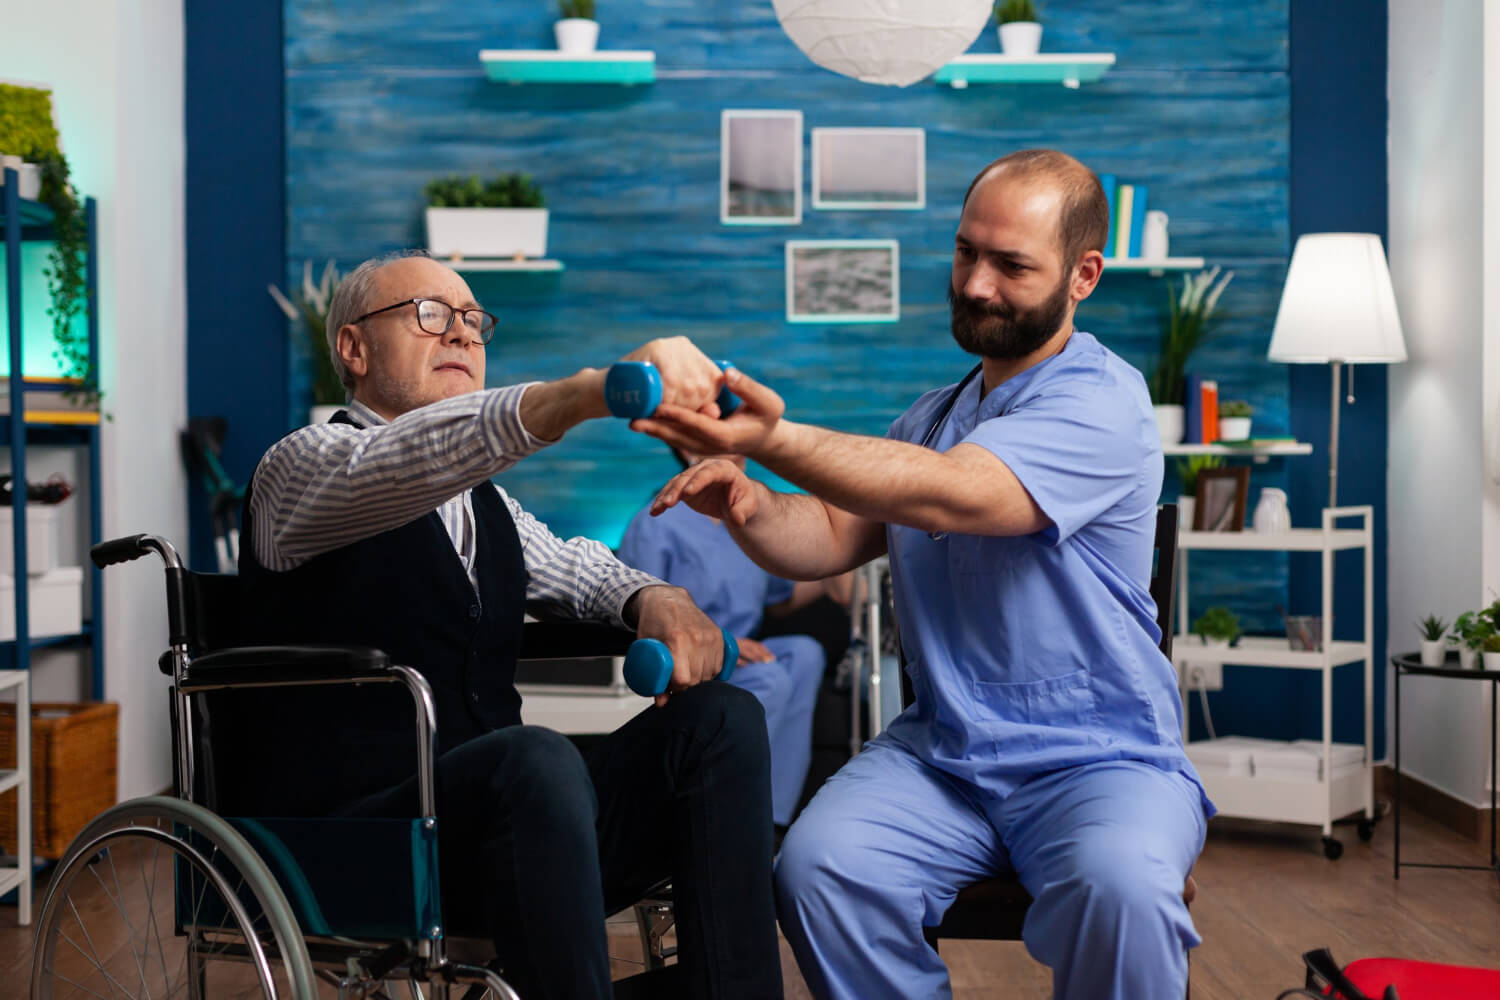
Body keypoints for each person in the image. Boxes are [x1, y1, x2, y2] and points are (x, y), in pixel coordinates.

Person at [632, 149, 1213, 999]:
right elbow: (830, 531)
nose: (976, 284)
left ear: (1083, 274)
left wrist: (769, 438)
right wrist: (750, 504)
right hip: (946, 757)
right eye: (966, 252)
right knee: (819, 868)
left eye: (1011, 265)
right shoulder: (935, 414)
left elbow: (960, 494)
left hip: (1101, 760)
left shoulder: (1104, 403)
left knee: (1121, 889)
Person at [236, 251, 783, 1000]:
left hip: (499, 832)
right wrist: (590, 393)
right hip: (355, 842)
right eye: (429, 315)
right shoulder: (297, 470)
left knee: (720, 720)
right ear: (353, 350)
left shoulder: (486, 506)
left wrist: (658, 597)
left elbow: (581, 569)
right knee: (533, 758)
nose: (460, 335)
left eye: (472, 322)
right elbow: (398, 463)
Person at [616, 447, 828, 831]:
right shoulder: (658, 522)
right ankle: (733, 818)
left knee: (805, 654)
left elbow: (780, 600)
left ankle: (774, 820)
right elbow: (639, 615)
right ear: (687, 449)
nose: (733, 448)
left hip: (740, 659)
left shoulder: (747, 520)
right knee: (771, 678)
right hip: (688, 664)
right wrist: (724, 641)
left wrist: (841, 568)